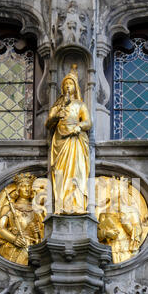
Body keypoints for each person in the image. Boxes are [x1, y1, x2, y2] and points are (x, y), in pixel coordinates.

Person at [45, 64, 92, 214]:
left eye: (70, 83)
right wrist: (55, 116)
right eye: (65, 84)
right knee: (61, 173)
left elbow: (88, 122)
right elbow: (48, 123)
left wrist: (78, 127)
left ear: (75, 87)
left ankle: (77, 204)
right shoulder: (57, 106)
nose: (67, 86)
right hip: (60, 142)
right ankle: (61, 206)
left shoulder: (80, 104)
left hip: (76, 141)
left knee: (77, 172)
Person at [0, 173, 43, 265]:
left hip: (32, 249)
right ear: (18, 189)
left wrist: (37, 234)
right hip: (14, 248)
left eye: (29, 187)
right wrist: (14, 239)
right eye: (24, 186)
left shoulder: (37, 210)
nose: (27, 189)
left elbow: (43, 232)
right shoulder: (9, 207)